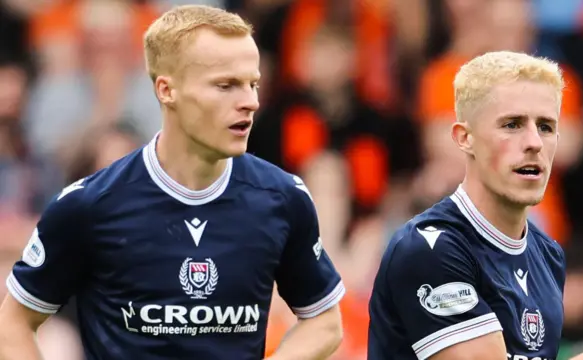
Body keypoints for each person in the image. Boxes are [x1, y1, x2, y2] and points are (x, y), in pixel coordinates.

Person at [0, 5, 344, 360]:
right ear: (167, 90)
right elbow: (13, 323)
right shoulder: (88, 206)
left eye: (252, 84)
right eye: (226, 85)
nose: (250, 102)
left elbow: (324, 321)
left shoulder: (283, 198)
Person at [367, 51, 583, 360]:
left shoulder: (546, 253)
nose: (534, 142)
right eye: (512, 125)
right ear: (464, 138)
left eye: (546, 127)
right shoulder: (429, 248)